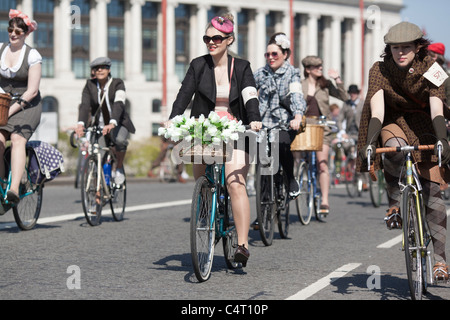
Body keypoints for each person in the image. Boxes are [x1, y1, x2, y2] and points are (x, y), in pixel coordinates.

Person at [357, 22, 450, 281]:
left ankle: (441, 262)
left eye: (406, 47)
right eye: (395, 48)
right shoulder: (379, 69)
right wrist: (370, 142)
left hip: (424, 123)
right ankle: (394, 204)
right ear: (389, 49)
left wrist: (442, 139)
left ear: (418, 47)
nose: (400, 53)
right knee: (395, 149)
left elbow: (437, 109)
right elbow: (377, 111)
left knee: (433, 195)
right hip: (392, 120)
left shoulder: (434, 69)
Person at [168, 13, 262, 266]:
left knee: (235, 183)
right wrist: (173, 118)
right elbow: (184, 94)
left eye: (216, 38)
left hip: (238, 130)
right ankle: (206, 214)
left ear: (229, 39)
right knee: (202, 180)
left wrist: (253, 118)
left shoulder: (241, 67)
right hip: (205, 129)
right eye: (207, 38)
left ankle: (242, 244)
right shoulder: (198, 65)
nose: (211, 42)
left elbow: (249, 95)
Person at [253, 32, 306, 199]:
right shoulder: (260, 73)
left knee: (281, 143)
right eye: (267, 54)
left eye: (274, 54)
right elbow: (248, 94)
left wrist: (297, 117)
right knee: (261, 162)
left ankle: (290, 179)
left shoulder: (292, 73)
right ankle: (264, 211)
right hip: (262, 122)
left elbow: (297, 95)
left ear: (285, 54)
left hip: (284, 122)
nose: (270, 57)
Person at [0, 10, 41, 204]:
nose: (13, 33)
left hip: (27, 106)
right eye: (11, 29)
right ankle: (1, 184)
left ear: (25, 33)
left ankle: (14, 189)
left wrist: (9, 111)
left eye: (18, 30)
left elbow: (32, 91)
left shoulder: (32, 55)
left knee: (17, 139)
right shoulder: (0, 49)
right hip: (4, 103)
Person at [75, 57, 136, 185]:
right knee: (98, 154)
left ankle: (118, 167)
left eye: (103, 67)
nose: (100, 70)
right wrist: (80, 124)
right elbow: (85, 106)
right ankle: (99, 189)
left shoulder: (117, 83)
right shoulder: (89, 85)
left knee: (119, 140)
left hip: (118, 123)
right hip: (100, 126)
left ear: (109, 70)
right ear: (93, 72)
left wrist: (112, 122)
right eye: (97, 68)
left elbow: (119, 103)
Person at [301, 55, 347, 215]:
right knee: (301, 160)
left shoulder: (325, 85)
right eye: (316, 66)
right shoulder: (301, 85)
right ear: (307, 69)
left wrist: (338, 79)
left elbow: (344, 97)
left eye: (321, 66)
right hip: (305, 127)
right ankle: (301, 178)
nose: (320, 68)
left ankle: (325, 201)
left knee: (322, 163)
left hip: (323, 127)